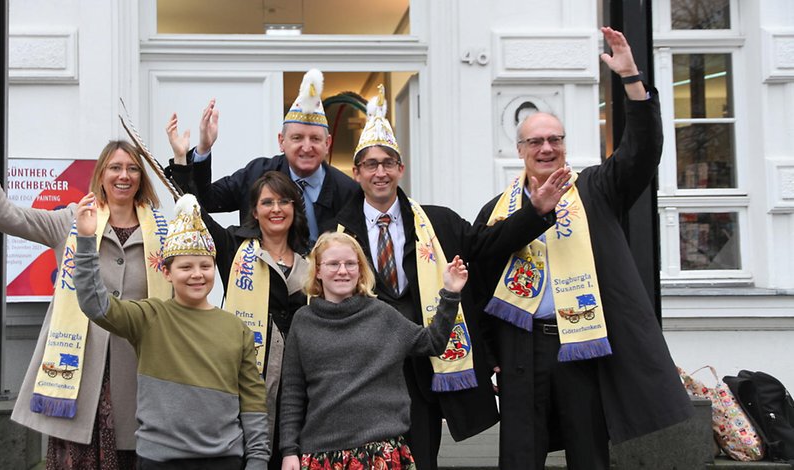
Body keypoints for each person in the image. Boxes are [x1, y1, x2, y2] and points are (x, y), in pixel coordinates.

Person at [471, 27, 693, 469]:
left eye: (555, 139)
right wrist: (491, 354)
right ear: (520, 150)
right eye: (536, 141)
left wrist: (631, 79)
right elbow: (479, 279)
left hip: (581, 342)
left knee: (589, 451)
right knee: (520, 455)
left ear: (565, 145)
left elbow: (641, 152)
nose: (547, 148)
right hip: (521, 347)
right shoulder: (497, 210)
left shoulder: (595, 189)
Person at [326, 85, 572, 470]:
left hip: (422, 372)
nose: (380, 172)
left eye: (388, 163)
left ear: (401, 169)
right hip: (364, 375)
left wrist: (535, 212)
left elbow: (490, 244)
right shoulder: (337, 233)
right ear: (356, 173)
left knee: (422, 461)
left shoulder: (439, 222)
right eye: (371, 164)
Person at [0, 95, 157, 469]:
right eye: (115, 167)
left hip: (138, 368)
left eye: (133, 168)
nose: (124, 175)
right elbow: (3, 215)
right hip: (78, 371)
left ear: (141, 178)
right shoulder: (70, 220)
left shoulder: (161, 230)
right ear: (100, 175)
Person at [72, 192, 270, 470]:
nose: (197, 274)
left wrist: (258, 459)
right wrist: (85, 240)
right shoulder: (150, 316)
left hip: (224, 459)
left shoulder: (237, 329)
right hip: (160, 460)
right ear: (167, 272)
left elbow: (252, 399)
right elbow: (96, 305)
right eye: (185, 266)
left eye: (205, 266)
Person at [168, 111, 311, 470]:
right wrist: (185, 160)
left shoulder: (312, 257)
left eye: (283, 202)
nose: (276, 209)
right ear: (254, 210)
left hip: (300, 382)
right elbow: (193, 212)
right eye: (267, 203)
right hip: (246, 378)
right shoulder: (234, 246)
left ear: (294, 208)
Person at [278, 232, 468, 470]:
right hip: (321, 455)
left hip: (381, 454)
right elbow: (292, 392)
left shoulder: (381, 314)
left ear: (360, 270)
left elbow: (433, 342)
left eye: (350, 263)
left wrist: (450, 293)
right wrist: (289, 451)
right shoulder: (303, 321)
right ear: (317, 270)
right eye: (333, 264)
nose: (342, 271)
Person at [164, 69, 358, 243]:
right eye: (297, 138)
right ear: (281, 141)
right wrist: (203, 149)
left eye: (315, 139)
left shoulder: (347, 191)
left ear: (327, 144)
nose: (306, 147)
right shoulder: (256, 174)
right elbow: (204, 202)